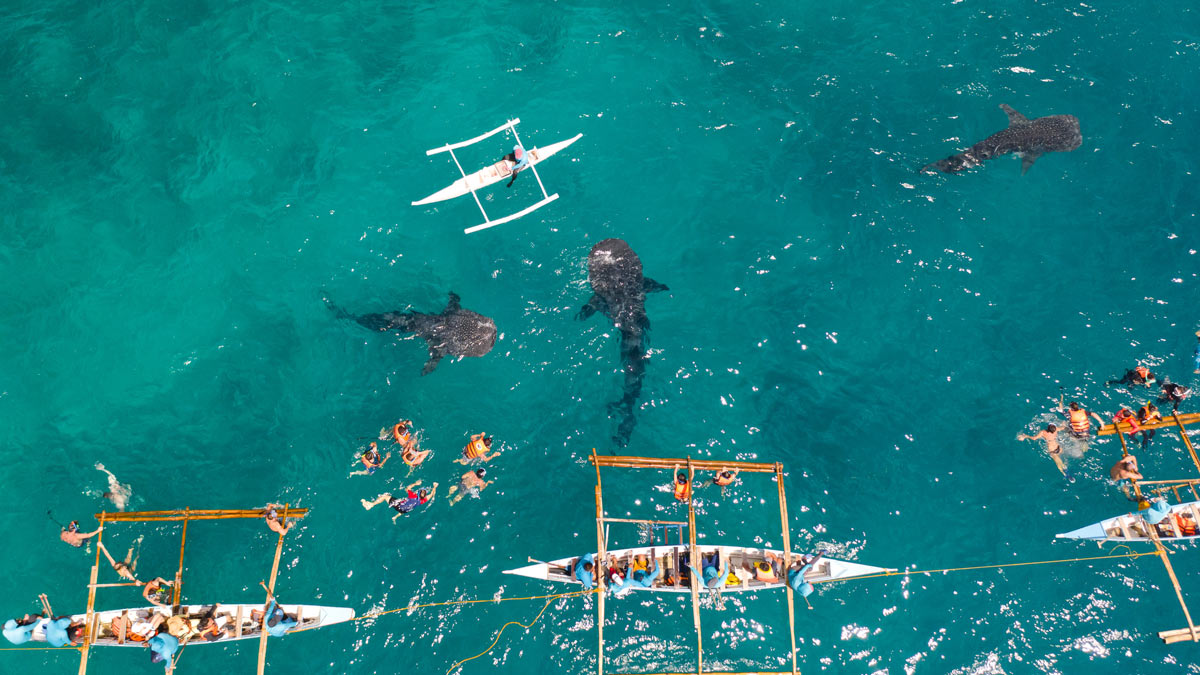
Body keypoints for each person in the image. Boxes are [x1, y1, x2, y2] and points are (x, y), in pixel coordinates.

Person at [361, 481, 438, 522]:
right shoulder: (422, 501)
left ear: (418, 493)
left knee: (385, 496)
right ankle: (395, 517)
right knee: (406, 508)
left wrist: (416, 483)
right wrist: (434, 487)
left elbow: (407, 488)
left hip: (398, 506)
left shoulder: (413, 495)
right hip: (405, 510)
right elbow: (431, 495)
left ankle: (372, 504)